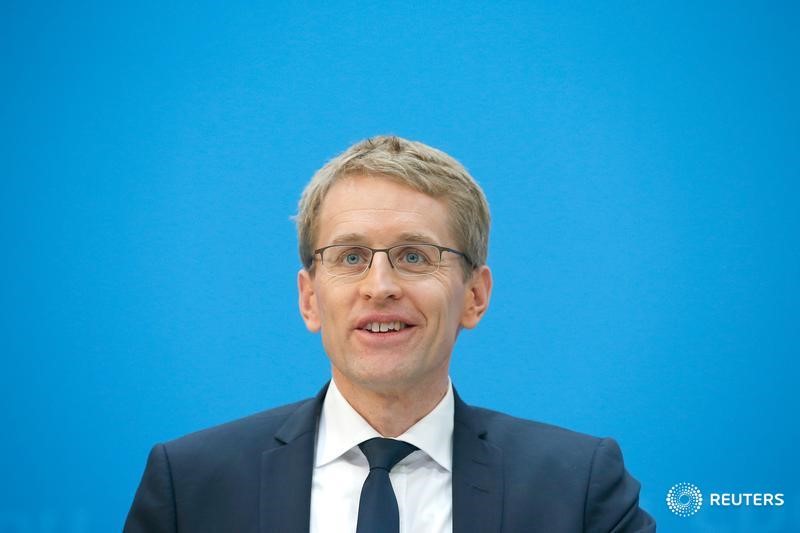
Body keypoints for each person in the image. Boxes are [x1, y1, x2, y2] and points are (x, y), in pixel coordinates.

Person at [124, 135, 655, 532]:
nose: (380, 287)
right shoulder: (191, 486)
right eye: (350, 257)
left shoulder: (579, 489)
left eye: (414, 256)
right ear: (309, 298)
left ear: (475, 296)